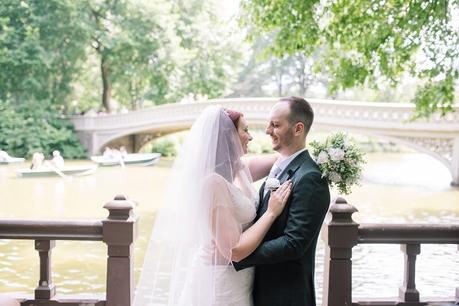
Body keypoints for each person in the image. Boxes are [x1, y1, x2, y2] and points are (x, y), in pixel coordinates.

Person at [133, 106, 291, 306]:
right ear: (228, 136)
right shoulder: (212, 183)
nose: (250, 137)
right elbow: (234, 250)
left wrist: (321, 156)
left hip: (240, 279)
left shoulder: (240, 169)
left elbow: (282, 159)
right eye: (245, 130)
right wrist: (271, 213)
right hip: (220, 282)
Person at [233, 96, 331, 306]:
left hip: (286, 295)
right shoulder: (280, 166)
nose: (268, 130)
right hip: (259, 290)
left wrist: (239, 255)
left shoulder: (310, 178)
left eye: (275, 125)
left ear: (297, 129)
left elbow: (294, 243)